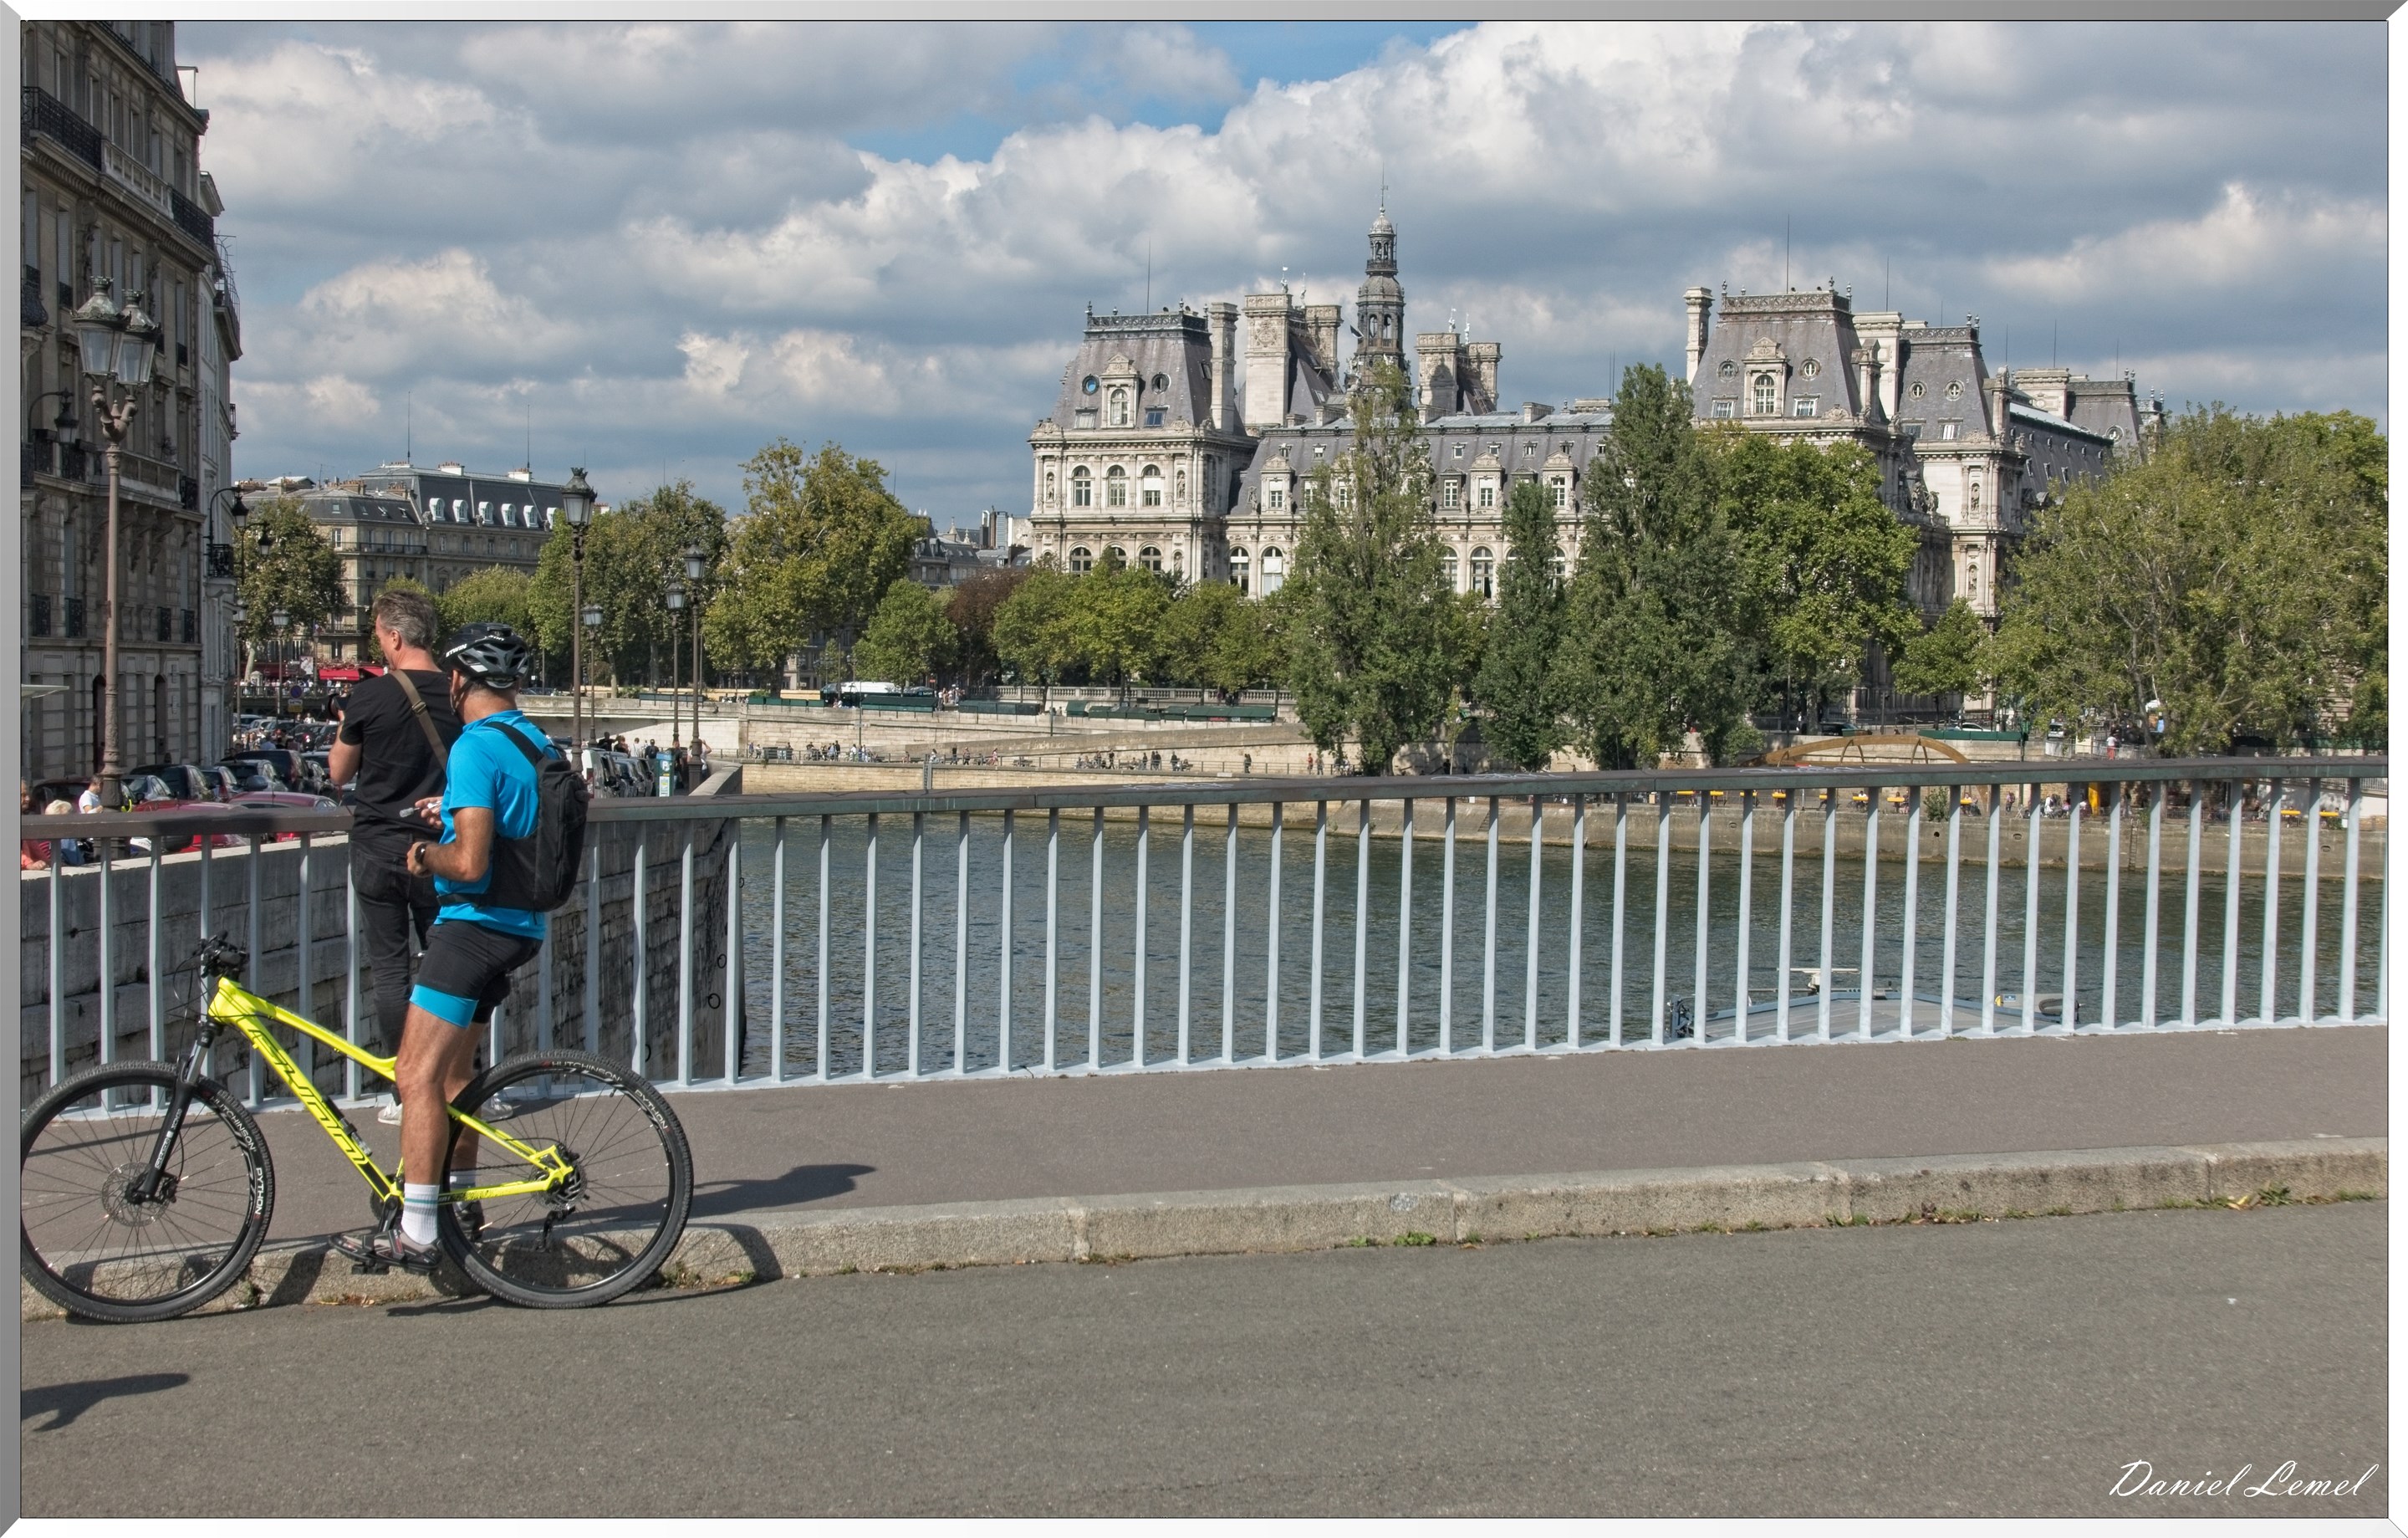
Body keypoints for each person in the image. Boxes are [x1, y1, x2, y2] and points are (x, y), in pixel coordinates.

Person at [333, 623, 559, 1275]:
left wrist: (424, 852)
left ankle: (421, 1229)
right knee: (456, 1077)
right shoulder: (532, 740)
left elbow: (469, 861)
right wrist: (453, 812)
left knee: (414, 1075)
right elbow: (505, 823)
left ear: (458, 680)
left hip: (472, 928)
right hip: (520, 923)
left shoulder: (474, 748)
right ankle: (459, 1209)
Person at [329, 590, 460, 1127]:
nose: (377, 644)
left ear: (395, 637)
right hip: (442, 848)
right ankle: (458, 1083)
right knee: (451, 970)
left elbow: (339, 773)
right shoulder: (460, 695)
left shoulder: (370, 698)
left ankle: (404, 1092)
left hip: (379, 847)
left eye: (378, 635)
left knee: (390, 973)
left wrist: (346, 722)